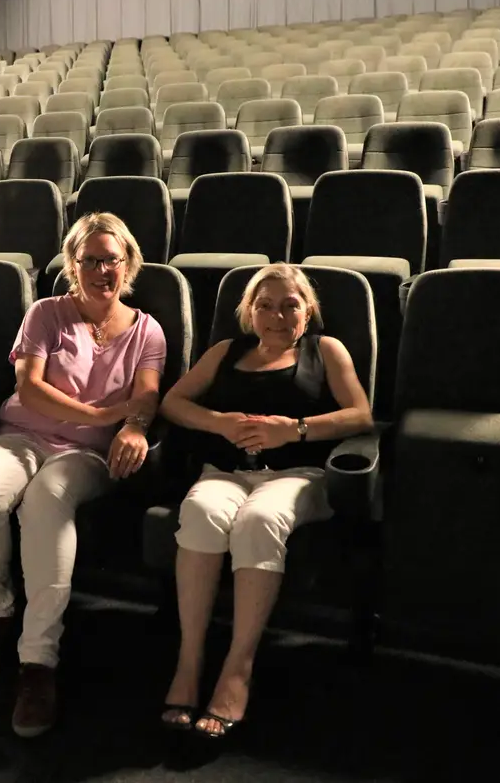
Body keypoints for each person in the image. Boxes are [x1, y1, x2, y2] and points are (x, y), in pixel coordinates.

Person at [0, 213, 166, 738]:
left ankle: (38, 660)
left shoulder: (146, 329)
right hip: (22, 435)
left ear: (128, 264)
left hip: (87, 455)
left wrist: (134, 427)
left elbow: (146, 394)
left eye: (111, 259)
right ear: (73, 264)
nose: (101, 269)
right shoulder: (46, 312)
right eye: (89, 259)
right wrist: (100, 414)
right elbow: (29, 389)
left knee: (46, 500)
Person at [156, 264, 373, 739]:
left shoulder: (325, 350)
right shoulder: (225, 351)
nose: (277, 315)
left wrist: (292, 430)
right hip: (226, 472)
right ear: (249, 312)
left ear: (307, 310)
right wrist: (219, 422)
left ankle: (238, 668)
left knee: (258, 519)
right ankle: (190, 661)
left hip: (298, 475)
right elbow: (173, 403)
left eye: (289, 304)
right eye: (265, 305)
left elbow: (360, 415)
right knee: (202, 511)